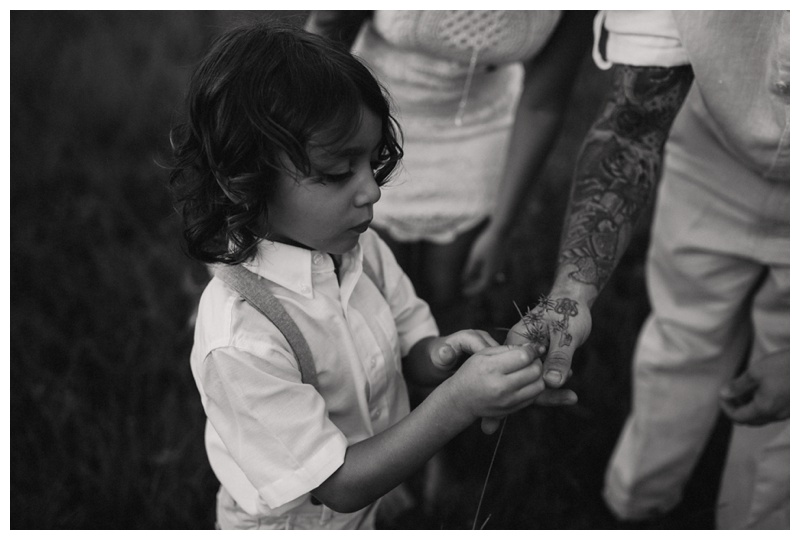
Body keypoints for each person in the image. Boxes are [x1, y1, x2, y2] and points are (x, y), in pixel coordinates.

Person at [169, 21, 570, 530]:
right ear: (244, 180)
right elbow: (338, 484)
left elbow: (409, 351)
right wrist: (460, 401)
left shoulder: (361, 250)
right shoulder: (242, 337)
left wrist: (447, 357)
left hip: (368, 510)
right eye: (339, 173)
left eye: (371, 163)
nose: (372, 192)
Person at [505, 11, 789, 529]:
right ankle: (632, 507)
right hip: (715, 156)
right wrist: (571, 296)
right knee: (682, 334)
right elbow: (632, 125)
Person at [306, 10, 594, 333]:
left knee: (449, 288)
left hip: (479, 124)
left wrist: (501, 228)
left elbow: (543, 104)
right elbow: (323, 41)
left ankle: (439, 367)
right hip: (372, 119)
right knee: (368, 284)